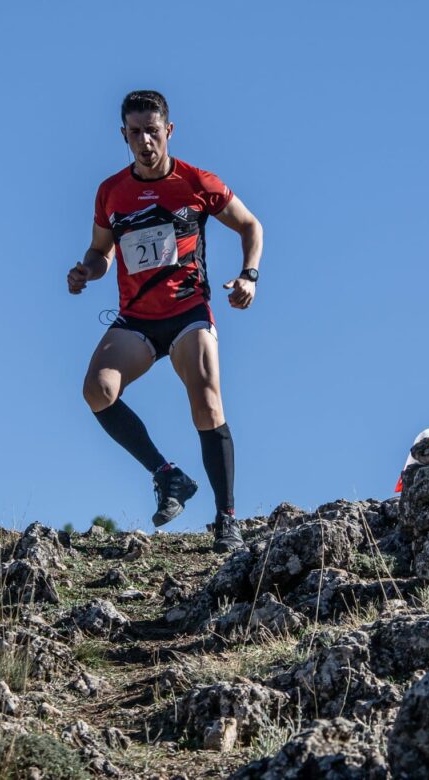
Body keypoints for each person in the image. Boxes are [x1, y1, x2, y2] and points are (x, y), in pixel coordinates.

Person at [67, 90, 263, 553]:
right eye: (135, 133)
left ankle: (226, 520)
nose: (144, 141)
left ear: (168, 131)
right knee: (97, 390)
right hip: (137, 318)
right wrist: (86, 270)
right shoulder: (111, 192)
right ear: (124, 135)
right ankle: (168, 475)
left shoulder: (196, 181)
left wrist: (250, 276)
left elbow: (251, 225)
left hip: (188, 313)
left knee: (205, 398)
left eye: (152, 131)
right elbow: (101, 251)